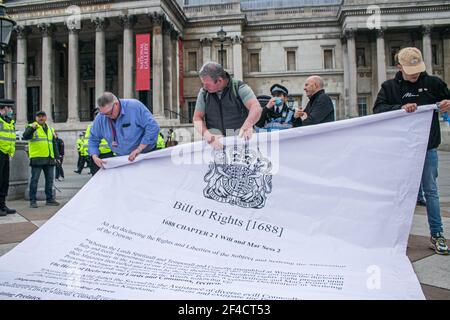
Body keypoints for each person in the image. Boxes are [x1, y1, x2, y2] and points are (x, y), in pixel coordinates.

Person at [373, 47, 450, 255]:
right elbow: (378, 110)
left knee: (431, 192)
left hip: (427, 147)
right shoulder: (389, 87)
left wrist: (447, 103)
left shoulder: (433, 83)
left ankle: (437, 234)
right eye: (410, 70)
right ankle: (396, 236)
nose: (414, 74)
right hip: (401, 149)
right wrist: (400, 108)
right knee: (400, 192)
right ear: (399, 67)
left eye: (417, 69)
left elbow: (448, 99)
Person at [192, 62, 262, 149]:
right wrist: (208, 135)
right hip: (217, 146)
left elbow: (256, 107)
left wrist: (247, 126)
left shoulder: (238, 87)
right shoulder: (204, 93)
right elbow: (197, 118)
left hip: (242, 144)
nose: (204, 87)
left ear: (220, 80)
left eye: (207, 84)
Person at [88, 92, 160, 169]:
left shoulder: (134, 107)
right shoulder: (101, 117)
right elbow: (93, 138)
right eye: (104, 114)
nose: (107, 116)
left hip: (144, 155)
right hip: (122, 159)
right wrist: (94, 156)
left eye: (109, 113)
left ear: (116, 104)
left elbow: (153, 127)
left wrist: (139, 148)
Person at [22, 111, 60, 208]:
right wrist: (32, 129)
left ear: (46, 117)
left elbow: (54, 144)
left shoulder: (50, 129)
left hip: (49, 158)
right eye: (39, 116)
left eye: (43, 116)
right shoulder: (32, 126)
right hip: (37, 158)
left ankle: (50, 199)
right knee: (34, 180)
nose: (41, 118)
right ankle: (33, 200)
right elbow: (25, 136)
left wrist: (57, 156)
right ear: (36, 118)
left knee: (50, 180)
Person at [0, 99, 17, 216]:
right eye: (10, 108)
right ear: (4, 108)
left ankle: (2, 204)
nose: (11, 111)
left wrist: (10, 153)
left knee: (4, 181)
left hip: (6, 153)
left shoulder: (9, 121)